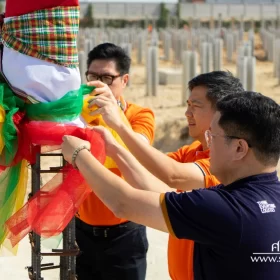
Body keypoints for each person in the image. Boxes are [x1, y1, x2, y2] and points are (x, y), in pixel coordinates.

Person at [62, 91, 280, 280]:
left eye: (212, 136)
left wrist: (79, 155)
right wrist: (116, 151)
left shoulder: (228, 208)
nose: (208, 144)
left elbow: (124, 203)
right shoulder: (258, 198)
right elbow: (165, 195)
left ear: (240, 148)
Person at [86, 71, 244, 280]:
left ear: (221, 114)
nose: (187, 113)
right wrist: (112, 144)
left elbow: (172, 176)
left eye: (195, 106)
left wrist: (118, 124)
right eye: (187, 105)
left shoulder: (222, 165)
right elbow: (146, 173)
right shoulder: (190, 152)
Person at [76, 43, 155, 280]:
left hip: (125, 235)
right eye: (93, 76)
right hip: (80, 234)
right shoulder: (78, 115)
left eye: (107, 78)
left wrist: (112, 116)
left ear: (124, 80)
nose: (99, 84)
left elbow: (137, 150)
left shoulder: (140, 115)